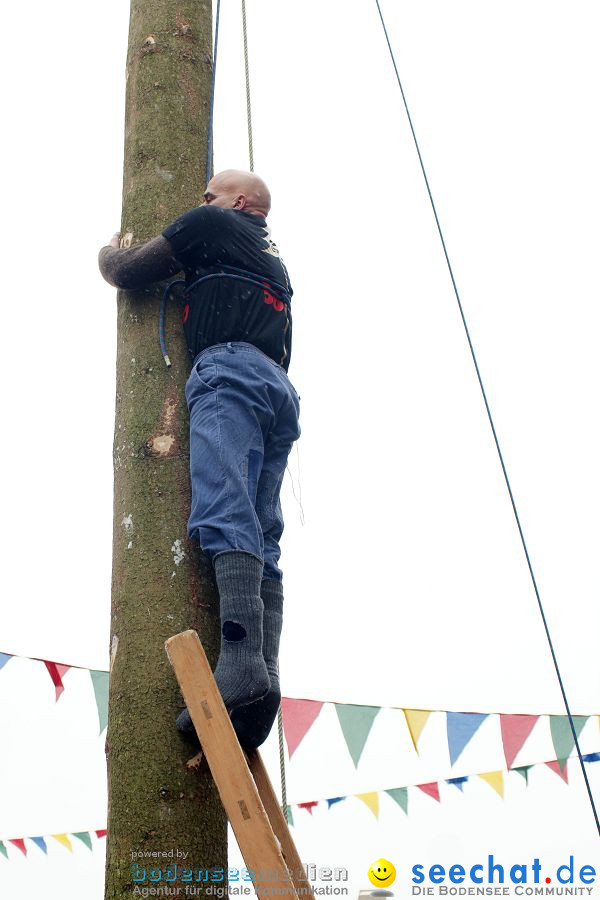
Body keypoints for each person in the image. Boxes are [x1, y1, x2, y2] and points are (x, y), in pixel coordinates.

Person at [98, 169, 301, 750]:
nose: (201, 200)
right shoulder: (272, 260)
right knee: (264, 529)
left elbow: (128, 272)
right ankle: (265, 676)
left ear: (238, 203)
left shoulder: (214, 223)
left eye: (208, 194)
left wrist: (108, 252)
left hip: (230, 370)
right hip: (278, 389)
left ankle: (240, 662)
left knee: (224, 505)